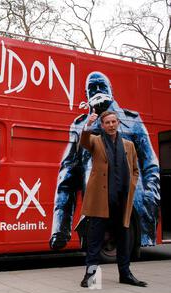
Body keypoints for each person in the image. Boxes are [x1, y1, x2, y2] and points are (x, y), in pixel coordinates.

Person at [50, 71, 160, 250]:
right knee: (94, 246)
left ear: (111, 91)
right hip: (97, 202)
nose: (98, 90)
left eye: (102, 86)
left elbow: (150, 166)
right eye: (93, 88)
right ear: (87, 95)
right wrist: (60, 229)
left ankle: (125, 272)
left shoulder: (133, 122)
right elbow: (67, 177)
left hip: (129, 202)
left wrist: (148, 203)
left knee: (124, 245)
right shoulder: (81, 127)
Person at [79, 110, 147, 287]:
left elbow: (135, 169)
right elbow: (84, 141)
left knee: (124, 240)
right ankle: (90, 276)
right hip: (101, 201)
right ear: (102, 125)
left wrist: (131, 185)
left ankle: (125, 274)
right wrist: (88, 125)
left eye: (113, 122)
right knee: (95, 240)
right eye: (107, 122)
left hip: (122, 201)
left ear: (118, 123)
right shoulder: (96, 141)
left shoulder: (128, 145)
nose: (110, 125)